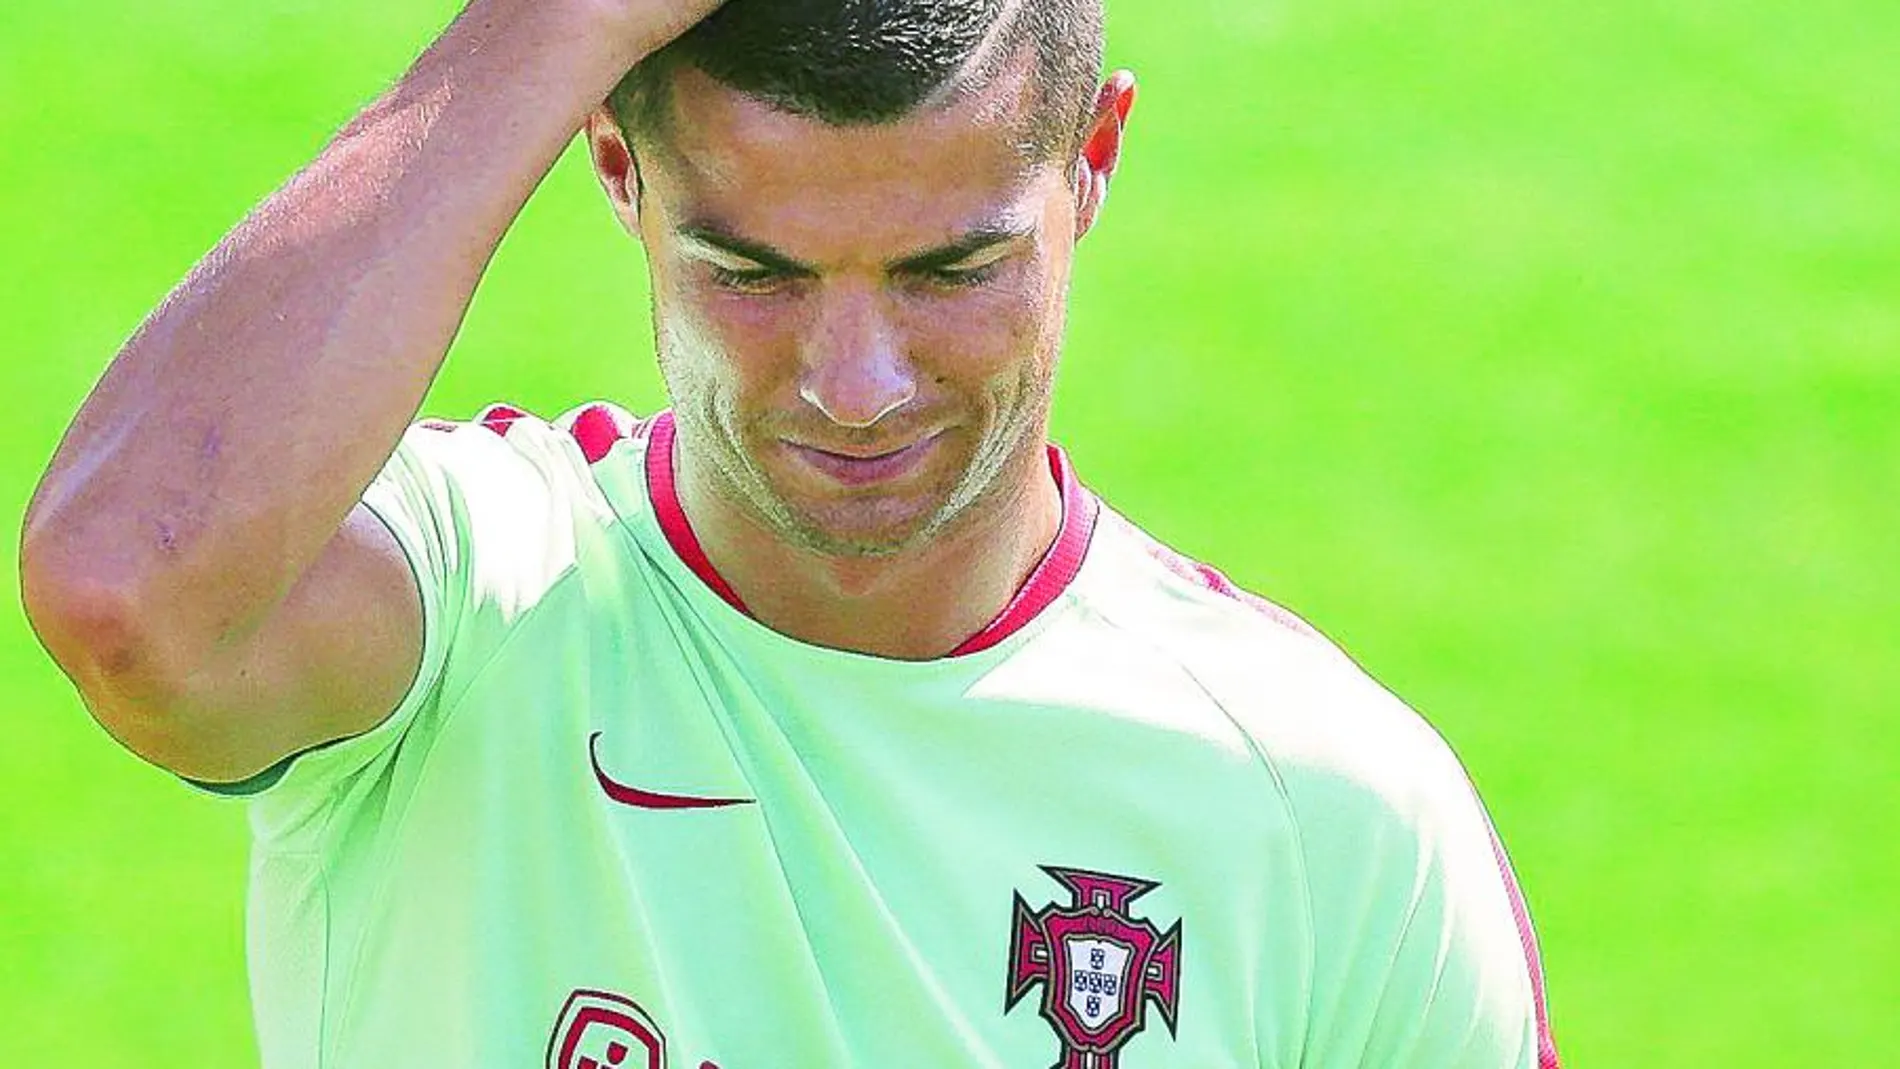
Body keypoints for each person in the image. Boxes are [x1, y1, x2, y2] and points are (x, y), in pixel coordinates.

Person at [21, 0, 1561, 1065]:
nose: (857, 386)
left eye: (951, 270)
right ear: (617, 172)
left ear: (1092, 159)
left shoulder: (1328, 810)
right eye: (752, 272)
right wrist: (550, 29)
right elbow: (131, 594)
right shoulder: (479, 605)